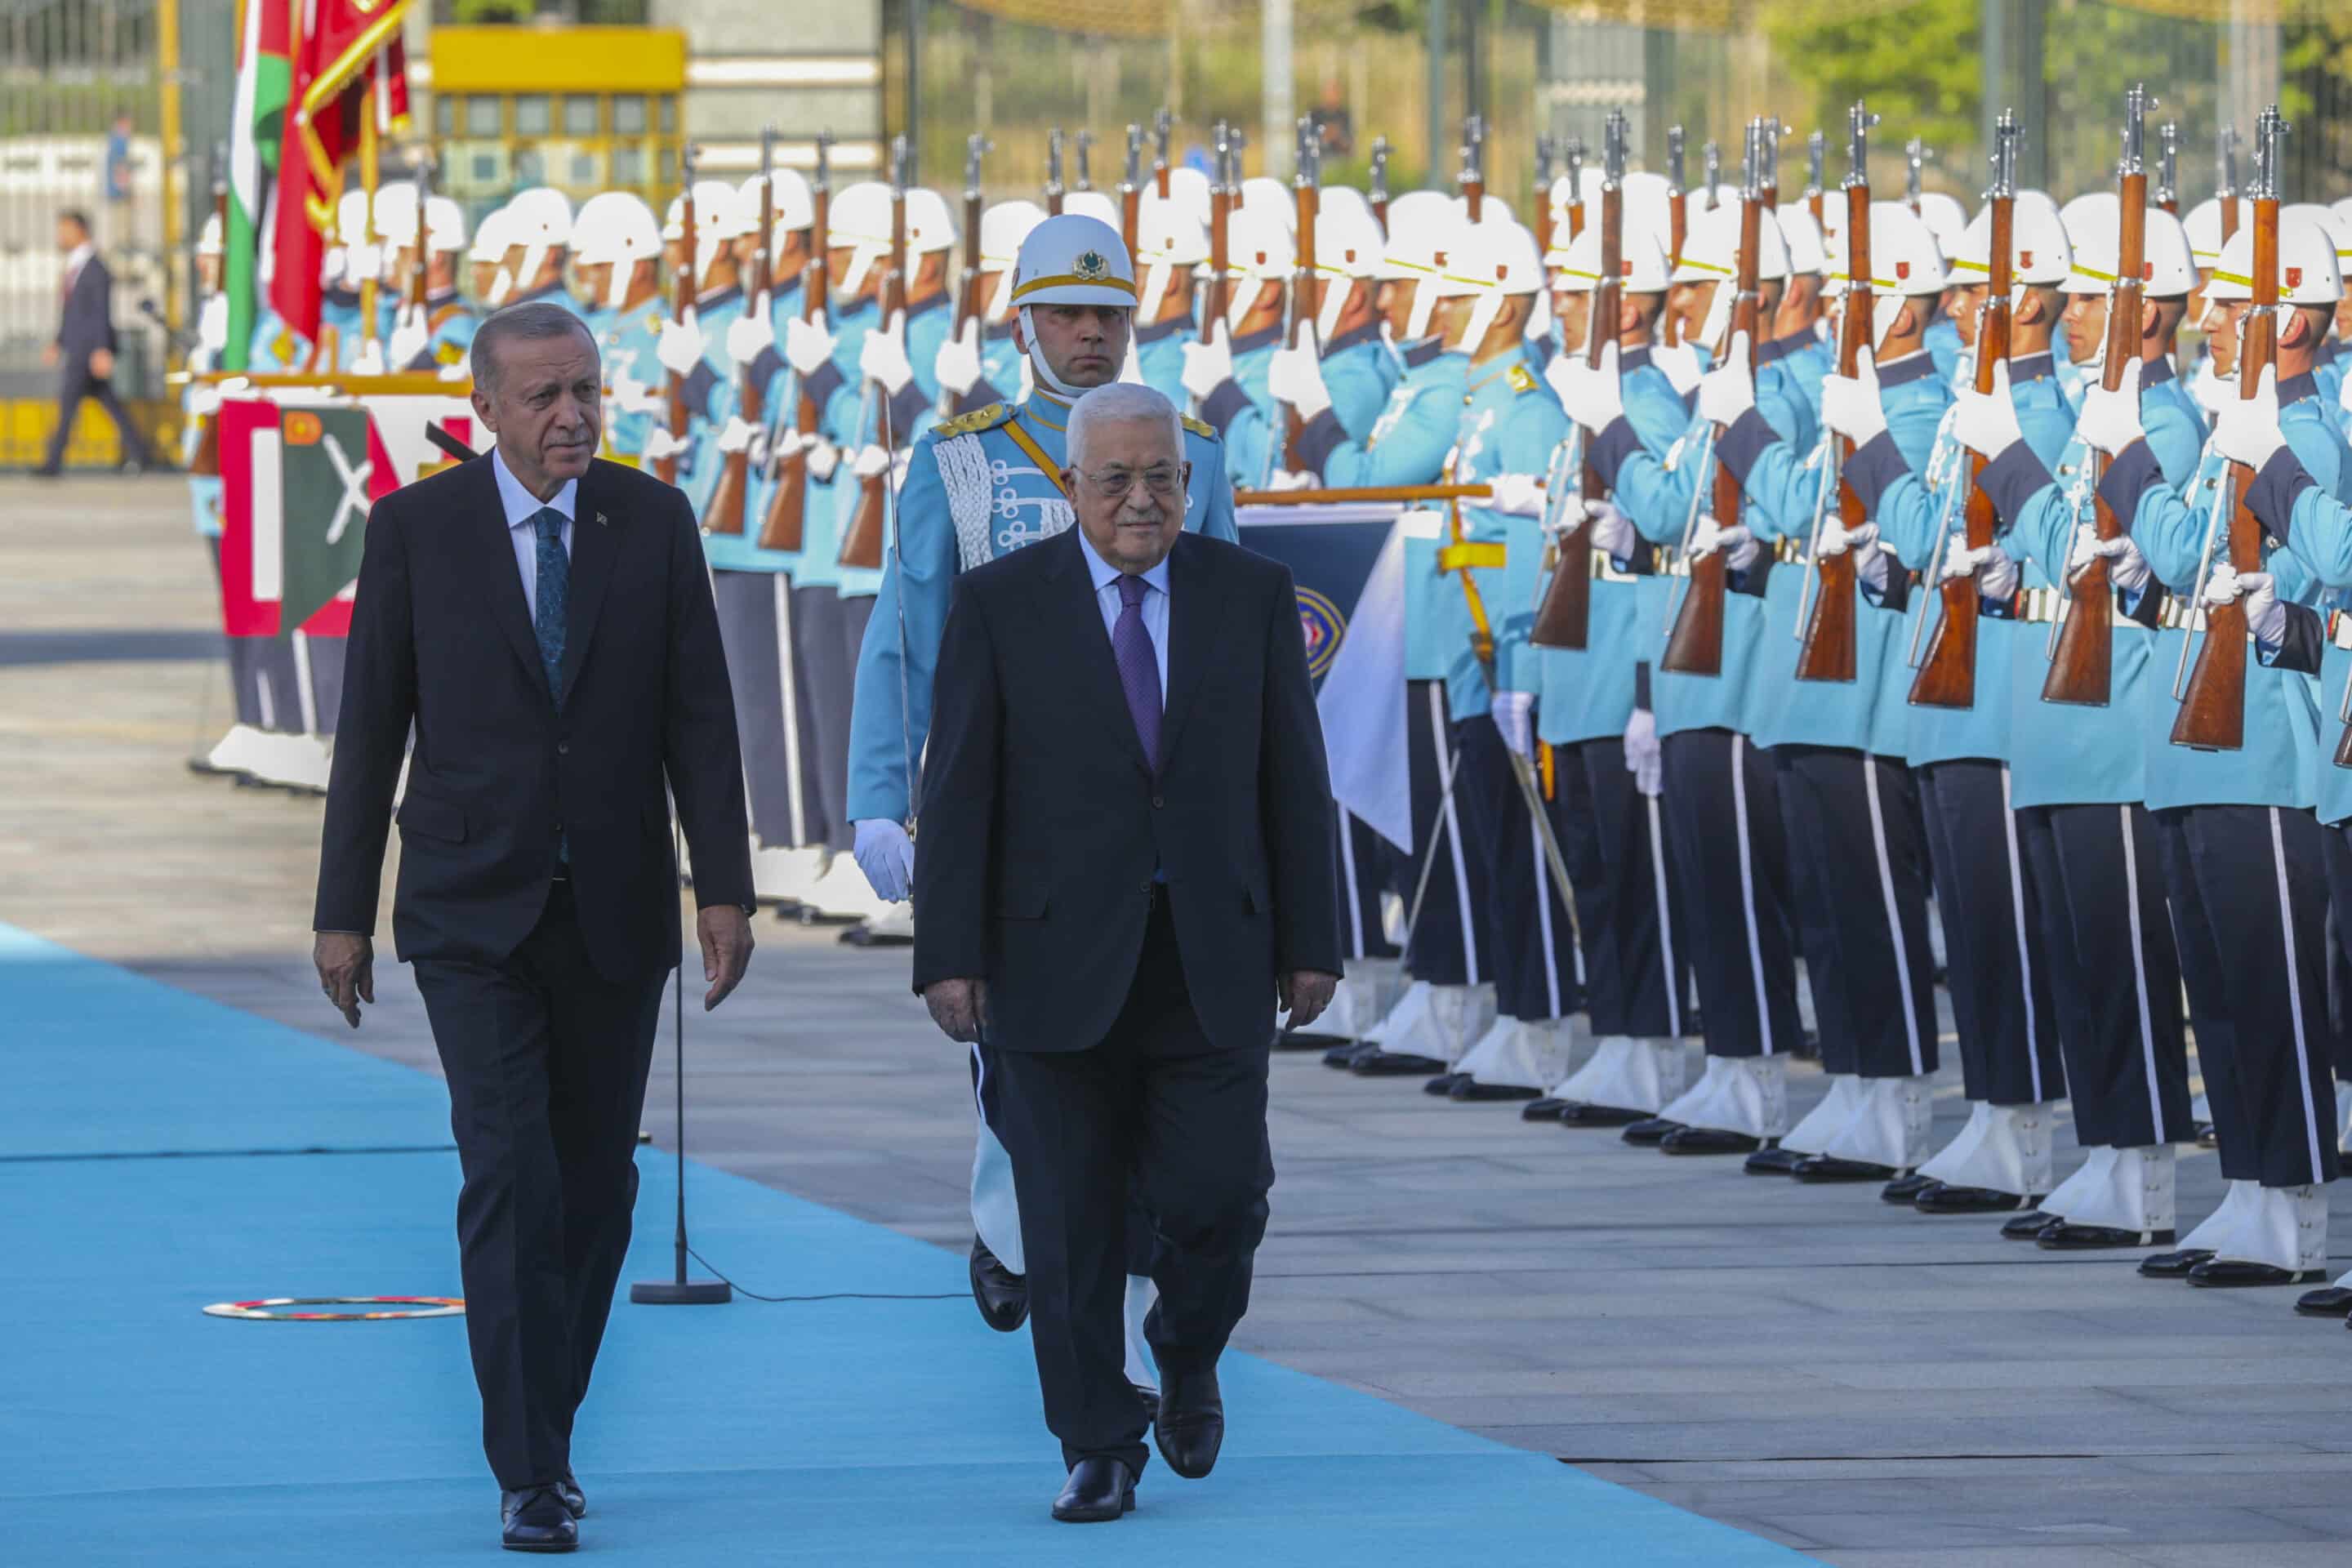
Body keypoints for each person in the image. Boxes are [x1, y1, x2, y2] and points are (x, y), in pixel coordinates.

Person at [310, 301, 756, 1552]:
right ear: (486, 410)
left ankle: (541, 1425)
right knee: (510, 1174)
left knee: (598, 1187)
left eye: (587, 394)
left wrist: (722, 886)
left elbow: (701, 718)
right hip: (469, 912)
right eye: (545, 397)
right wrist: (342, 911)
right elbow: (370, 730)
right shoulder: (416, 530)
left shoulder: (652, 521)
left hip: (614, 910)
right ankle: (532, 1470)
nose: (572, 417)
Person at [911, 380, 1339, 1522]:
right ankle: (1096, 1440)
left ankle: (1187, 1346)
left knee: (1220, 1196)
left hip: (1211, 959)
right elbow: (957, 791)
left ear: (1188, 485)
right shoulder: (1003, 604)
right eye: (1117, 480)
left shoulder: (1247, 596)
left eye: (1163, 478)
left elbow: (1295, 780)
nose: (1143, 499)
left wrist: (1315, 942)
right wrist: (947, 954)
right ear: (1070, 488)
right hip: (1050, 962)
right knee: (1065, 1220)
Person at [35, 208, 155, 477]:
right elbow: (72, 312)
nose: (60, 235)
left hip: (88, 350)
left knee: (68, 405)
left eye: (64, 229)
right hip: (78, 347)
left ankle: (53, 463)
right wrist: (58, 341)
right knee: (109, 403)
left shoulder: (96, 268)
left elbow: (101, 312)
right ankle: (140, 453)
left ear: (79, 230)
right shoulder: (76, 266)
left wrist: (101, 349)